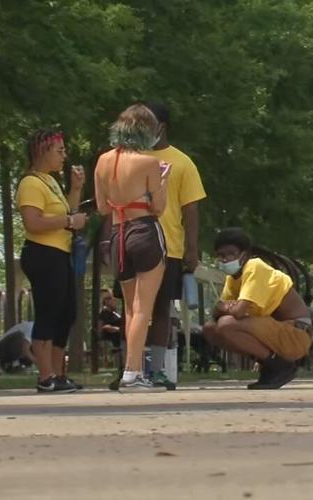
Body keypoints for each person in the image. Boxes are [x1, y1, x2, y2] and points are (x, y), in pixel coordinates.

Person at [94, 103, 169, 392]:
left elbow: (101, 207)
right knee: (143, 309)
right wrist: (162, 181)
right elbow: (158, 207)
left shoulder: (102, 161)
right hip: (145, 232)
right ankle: (133, 372)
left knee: (128, 309)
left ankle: (130, 369)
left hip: (117, 234)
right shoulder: (148, 163)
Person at [137, 102, 207, 390]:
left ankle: (156, 370)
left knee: (162, 311)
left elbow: (191, 210)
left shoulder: (182, 162)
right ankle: (131, 369)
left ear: (161, 127)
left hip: (170, 248)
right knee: (133, 310)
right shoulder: (131, 158)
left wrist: (192, 249)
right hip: (134, 245)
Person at [16, 128, 86, 393]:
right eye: (60, 150)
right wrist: (69, 221)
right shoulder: (30, 183)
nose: (64, 155)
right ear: (42, 151)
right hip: (42, 254)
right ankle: (45, 376)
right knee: (48, 313)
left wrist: (76, 189)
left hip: (61, 253)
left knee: (66, 313)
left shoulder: (51, 181)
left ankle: (58, 373)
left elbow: (69, 212)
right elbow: (33, 223)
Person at [202, 228, 313, 390]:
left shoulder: (254, 267)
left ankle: (280, 366)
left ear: (245, 255)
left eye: (231, 254)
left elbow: (237, 312)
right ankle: (270, 363)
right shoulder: (233, 278)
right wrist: (226, 308)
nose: (225, 259)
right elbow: (216, 313)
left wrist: (226, 308)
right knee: (211, 329)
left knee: (227, 324)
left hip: (296, 334)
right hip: (276, 332)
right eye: (221, 255)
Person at [99, 292, 125, 370]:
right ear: (106, 301)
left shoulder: (115, 313)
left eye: (114, 298)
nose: (114, 300)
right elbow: (105, 326)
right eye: (111, 298)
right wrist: (119, 330)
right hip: (112, 339)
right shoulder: (105, 313)